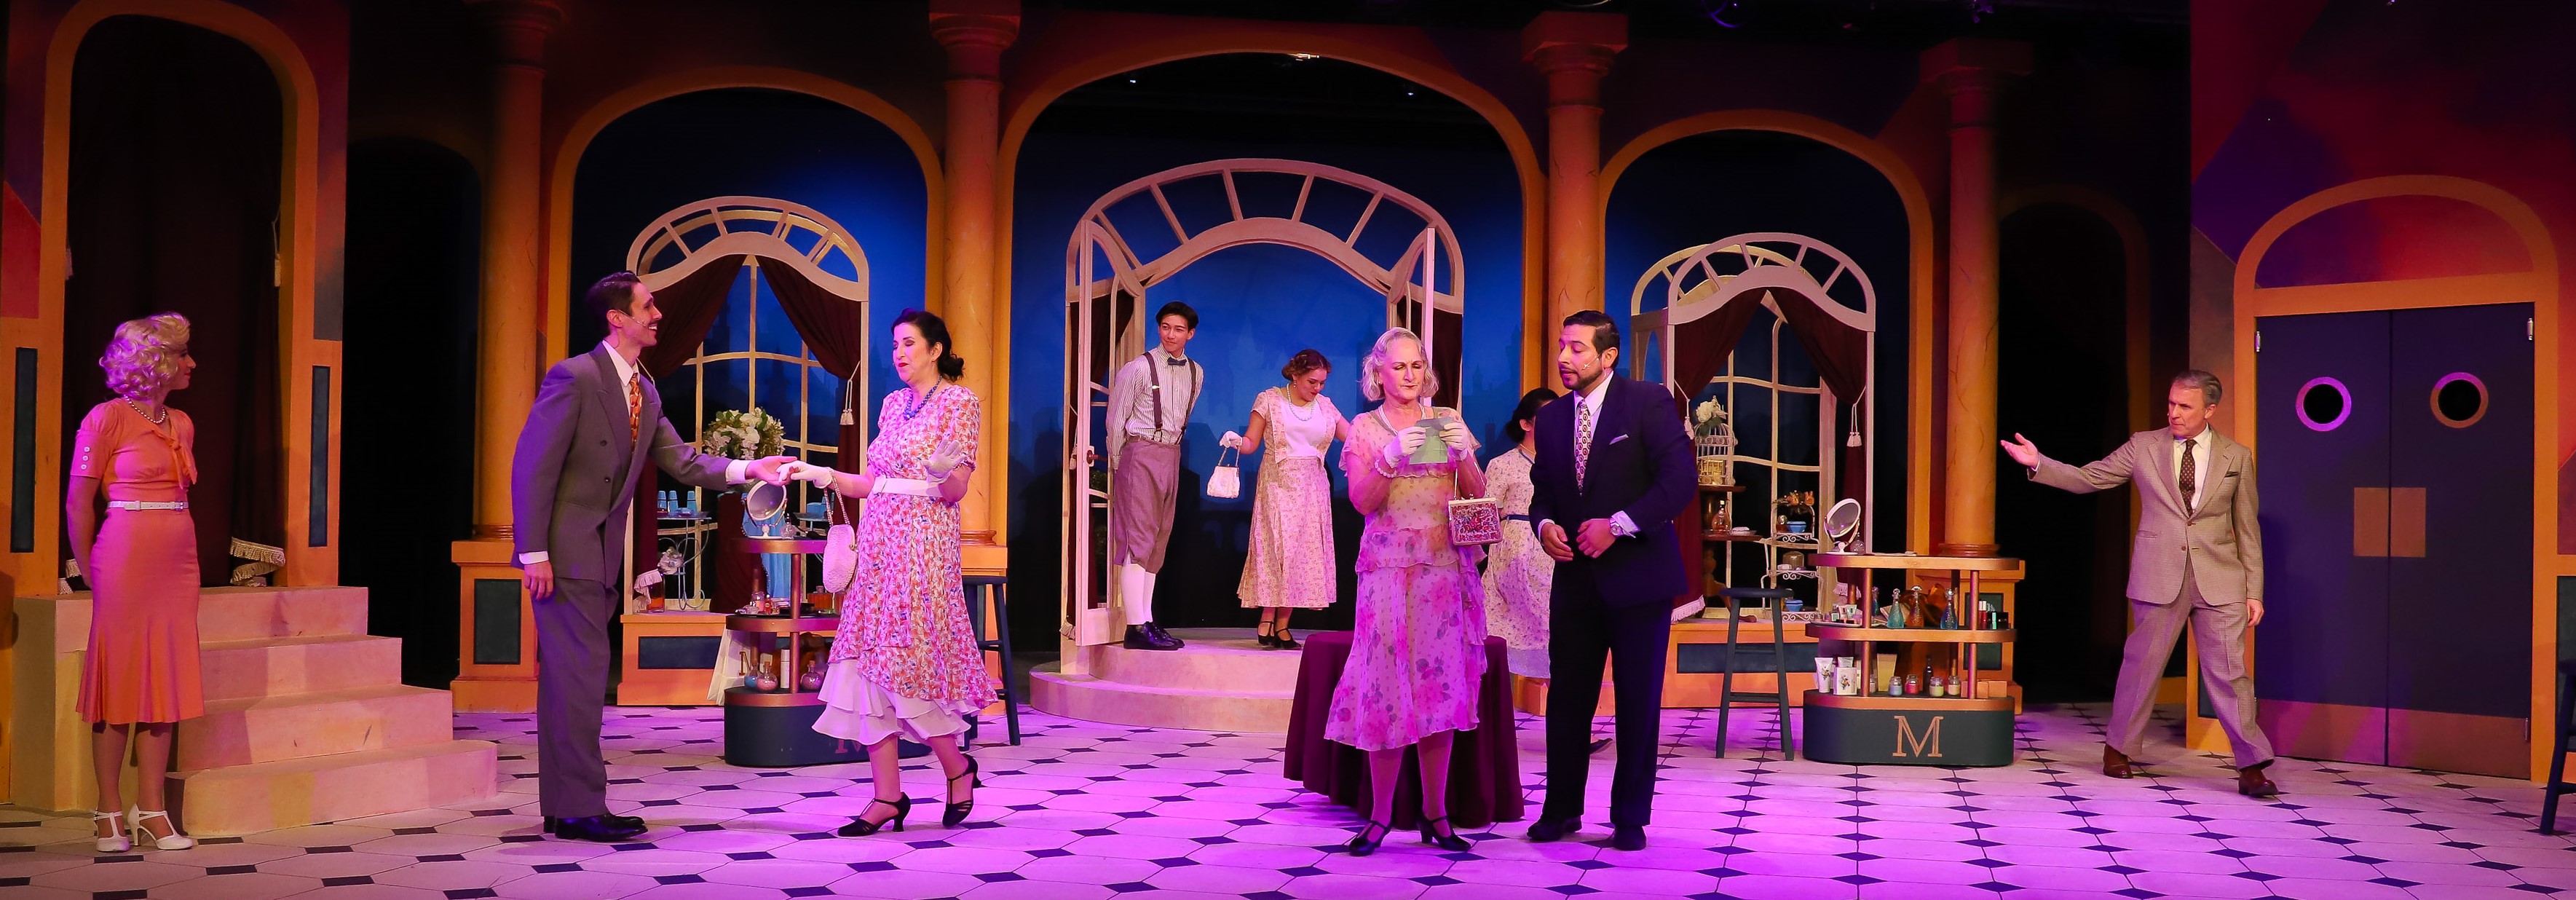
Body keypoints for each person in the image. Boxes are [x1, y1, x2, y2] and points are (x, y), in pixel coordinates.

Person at [513, 272, 794, 842]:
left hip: (597, 558)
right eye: (647, 306)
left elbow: (684, 462)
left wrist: (749, 469)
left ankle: (567, 805)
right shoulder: (575, 376)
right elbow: (532, 466)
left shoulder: (644, 388)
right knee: (578, 683)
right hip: (565, 557)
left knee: (575, 683)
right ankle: (578, 808)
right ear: (618, 318)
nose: (658, 314)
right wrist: (533, 552)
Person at [2002, 370, 2277, 797]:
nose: (2174, 413)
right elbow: (2091, 477)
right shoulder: (2144, 446)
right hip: (2159, 574)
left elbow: (2247, 528)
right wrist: (2039, 464)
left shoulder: (2236, 457)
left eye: (2185, 406)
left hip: (2221, 578)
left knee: (2230, 674)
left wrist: (2253, 590)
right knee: (2142, 666)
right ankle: (2119, 748)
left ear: (2209, 410)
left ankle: (2252, 764)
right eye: (2171, 403)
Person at [784, 309, 990, 836]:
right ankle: (887, 797)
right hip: (879, 545)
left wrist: (943, 472)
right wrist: (822, 474)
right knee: (866, 666)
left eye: (909, 343)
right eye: (895, 344)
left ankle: (957, 767)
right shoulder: (893, 404)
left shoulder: (960, 402)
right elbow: (872, 482)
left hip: (923, 546)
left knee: (906, 663)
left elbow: (954, 492)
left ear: (935, 350)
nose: (899, 353)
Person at [1525, 310, 1695, 852]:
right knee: (1567, 699)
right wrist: (1545, 527)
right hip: (1575, 582)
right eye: (1561, 346)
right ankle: (1560, 810)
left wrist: (1618, 525)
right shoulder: (1552, 418)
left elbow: (1679, 483)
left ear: (1608, 356)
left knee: (1637, 701)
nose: (1563, 358)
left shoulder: (1647, 402)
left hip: (1640, 579)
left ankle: (1629, 816)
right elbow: (1543, 494)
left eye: (1576, 348)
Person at [1327, 327, 1488, 856]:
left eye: (1417, 365)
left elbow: (1477, 495)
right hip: (1388, 573)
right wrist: (1389, 457)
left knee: (1440, 690)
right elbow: (1361, 501)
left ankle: (1436, 813)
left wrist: (1465, 455)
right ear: (1378, 374)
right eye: (1398, 366)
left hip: (1443, 571)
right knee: (1387, 691)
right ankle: (1379, 816)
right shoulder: (1366, 429)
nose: (1410, 375)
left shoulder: (1444, 420)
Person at [66, 314, 203, 853]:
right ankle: (107, 810)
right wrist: (89, 569)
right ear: (157, 362)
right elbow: (79, 503)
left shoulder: (182, 422)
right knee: (118, 683)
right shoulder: (106, 418)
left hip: (178, 559)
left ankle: (152, 810)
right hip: (124, 555)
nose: (192, 364)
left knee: (164, 680)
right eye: (183, 354)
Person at [1482, 387, 1613, 756]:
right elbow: (1487, 514)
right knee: (1500, 640)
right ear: (1526, 424)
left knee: (1564, 644)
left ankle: (1572, 734)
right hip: (1511, 560)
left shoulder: (1568, 462)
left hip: (1554, 556)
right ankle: (1493, 733)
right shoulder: (1503, 464)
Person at [1224, 349, 1349, 648]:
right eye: (1312, 382)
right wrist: (1237, 441)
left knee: (1301, 555)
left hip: (1312, 488)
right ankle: (1267, 618)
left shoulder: (1325, 406)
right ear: (1295, 375)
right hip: (1278, 484)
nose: (1317, 388)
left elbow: (1354, 436)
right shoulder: (1269, 400)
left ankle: (1282, 625)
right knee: (1276, 550)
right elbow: (1252, 443)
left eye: (1322, 383)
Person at [1105, 301, 1204, 651]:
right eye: (1165, 327)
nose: (1170, 335)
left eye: (1178, 329)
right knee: (1138, 538)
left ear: (1190, 334)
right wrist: (1120, 462)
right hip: (1140, 451)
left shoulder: (1196, 372)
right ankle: (1135, 625)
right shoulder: (1138, 369)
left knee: (1158, 540)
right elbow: (1116, 419)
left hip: (1171, 453)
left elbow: (1183, 414)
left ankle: (1146, 619)